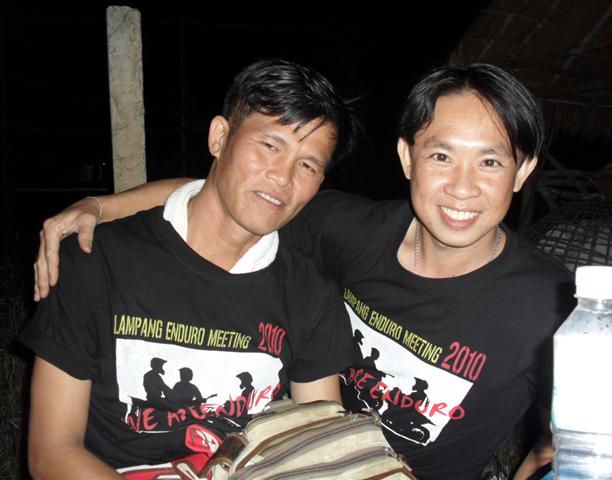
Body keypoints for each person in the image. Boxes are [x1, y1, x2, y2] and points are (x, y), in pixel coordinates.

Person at [33, 63, 574, 479]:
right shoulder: (348, 231)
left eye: (490, 161)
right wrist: (101, 206)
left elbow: (576, 442)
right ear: (408, 157)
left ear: (523, 169)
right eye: (441, 157)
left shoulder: (552, 304)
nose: (462, 187)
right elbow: (229, 198)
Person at [21, 58, 359, 479]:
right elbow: (52, 452)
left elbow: (320, 450)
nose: (283, 177)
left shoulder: (309, 293)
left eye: (308, 165)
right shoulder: (95, 260)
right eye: (270, 146)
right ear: (220, 137)